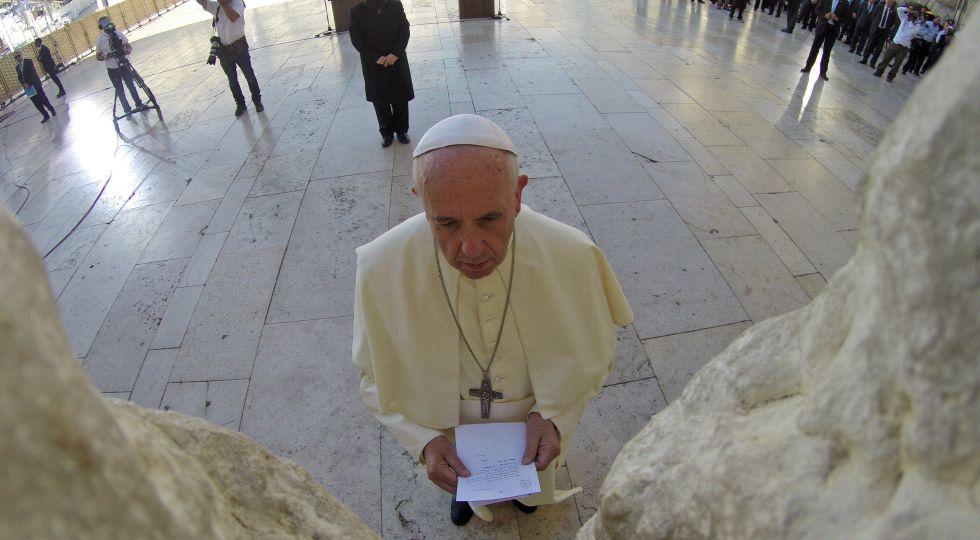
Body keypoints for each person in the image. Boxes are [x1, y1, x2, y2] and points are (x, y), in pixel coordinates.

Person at [353, 114, 633, 527]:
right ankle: (468, 497)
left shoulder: (571, 253)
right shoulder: (381, 267)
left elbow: (594, 354)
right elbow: (372, 375)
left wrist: (554, 418)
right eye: (445, 222)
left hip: (535, 431)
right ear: (420, 198)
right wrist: (425, 443)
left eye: (489, 218)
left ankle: (528, 491)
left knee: (532, 487)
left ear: (517, 195)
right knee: (459, 483)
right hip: (450, 437)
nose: (470, 247)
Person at [350, 0, 414, 148]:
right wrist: (375, 58)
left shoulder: (395, 4)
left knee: (400, 97)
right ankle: (386, 133)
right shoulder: (356, 12)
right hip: (374, 63)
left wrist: (395, 53)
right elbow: (356, 39)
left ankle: (402, 130)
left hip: (396, 60)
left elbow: (404, 30)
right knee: (380, 100)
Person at [196, 0, 262, 116]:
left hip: (239, 47)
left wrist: (223, 4)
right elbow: (203, 2)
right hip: (224, 50)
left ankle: (257, 101)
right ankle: (240, 104)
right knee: (232, 79)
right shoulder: (216, 6)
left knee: (249, 75)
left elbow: (233, 17)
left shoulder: (237, 3)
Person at [95, 16, 145, 114]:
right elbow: (98, 57)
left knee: (131, 85)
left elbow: (128, 46)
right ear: (101, 27)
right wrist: (107, 56)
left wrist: (127, 51)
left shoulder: (118, 33)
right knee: (119, 90)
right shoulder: (100, 40)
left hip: (124, 64)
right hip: (112, 69)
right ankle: (127, 110)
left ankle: (138, 103)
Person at [800, 0, 851, 81]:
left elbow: (847, 19)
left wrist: (837, 18)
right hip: (822, 26)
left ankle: (823, 72)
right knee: (815, 48)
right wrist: (824, 15)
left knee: (827, 52)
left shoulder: (845, 3)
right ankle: (808, 67)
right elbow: (817, 9)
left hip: (833, 30)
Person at [874, 4, 917, 81]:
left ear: (915, 18)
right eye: (910, 15)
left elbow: (912, 33)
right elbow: (899, 10)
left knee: (897, 64)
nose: (910, 17)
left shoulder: (916, 26)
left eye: (912, 16)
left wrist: (910, 22)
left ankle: (890, 77)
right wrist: (907, 10)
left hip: (903, 48)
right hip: (894, 44)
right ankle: (879, 71)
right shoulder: (904, 19)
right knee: (886, 58)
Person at [14, 51, 56, 123]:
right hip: (28, 88)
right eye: (16, 57)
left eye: (18, 56)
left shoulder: (28, 61)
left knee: (43, 99)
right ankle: (45, 115)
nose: (18, 58)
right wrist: (23, 84)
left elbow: (33, 73)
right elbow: (19, 77)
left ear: (21, 54)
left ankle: (51, 109)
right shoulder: (17, 67)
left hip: (35, 84)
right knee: (36, 103)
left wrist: (29, 83)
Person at [860, 0, 897, 68]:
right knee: (870, 45)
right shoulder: (879, 7)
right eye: (888, 1)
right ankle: (864, 59)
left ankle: (873, 63)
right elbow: (873, 16)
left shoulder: (893, 11)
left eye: (891, 1)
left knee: (878, 49)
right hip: (876, 29)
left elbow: (892, 22)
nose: (889, 2)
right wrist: (875, 25)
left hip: (884, 32)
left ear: (892, 3)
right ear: (885, 1)